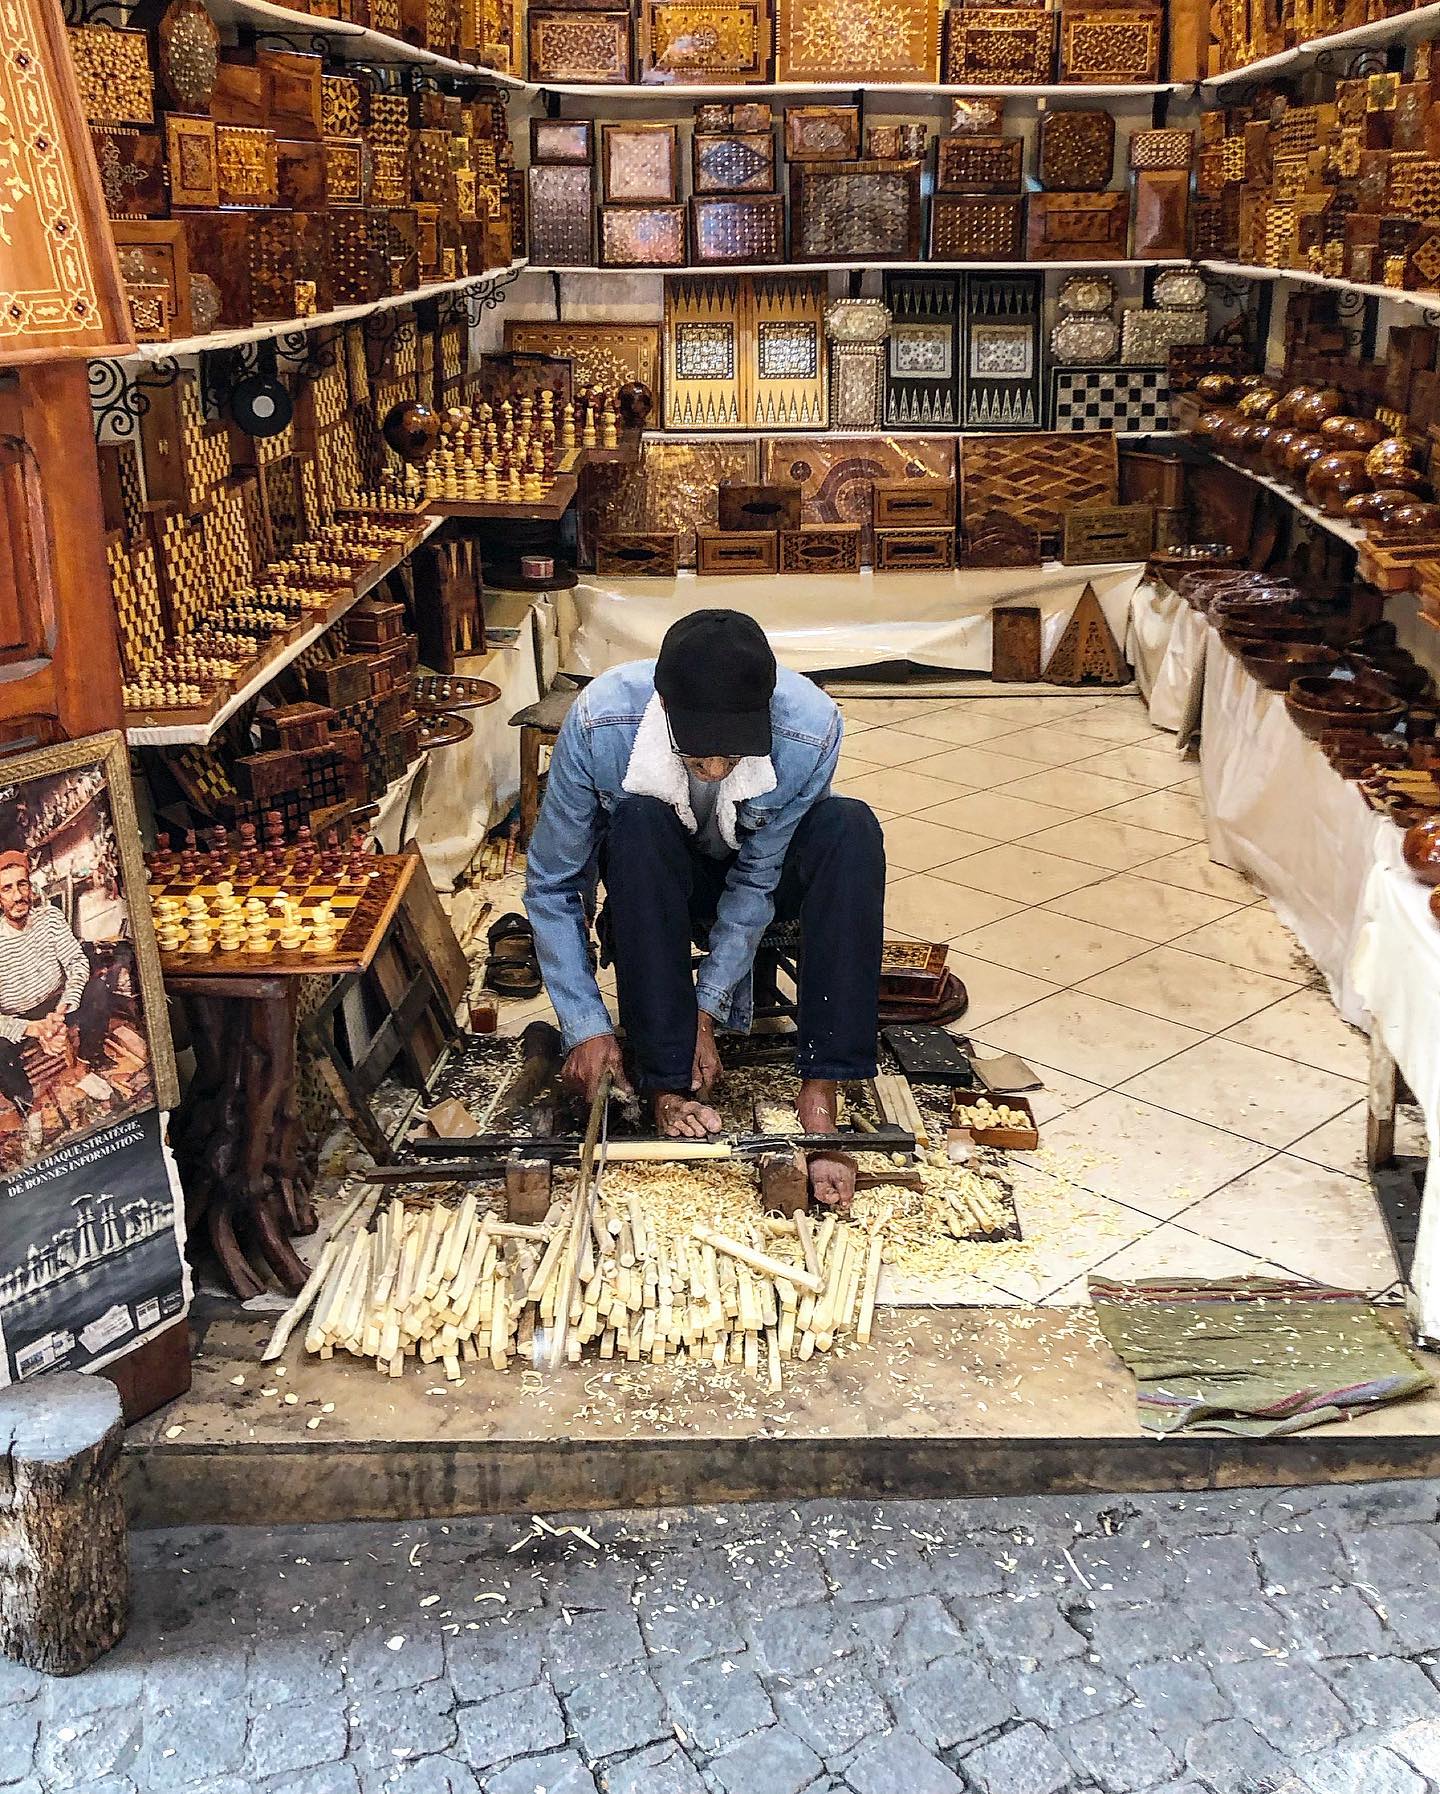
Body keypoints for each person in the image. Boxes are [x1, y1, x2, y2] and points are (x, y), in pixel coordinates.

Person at [524, 610, 884, 1208]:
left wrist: (707, 1009)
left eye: (732, 754)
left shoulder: (811, 727)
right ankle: (666, 1085)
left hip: (752, 872)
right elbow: (554, 883)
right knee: (637, 822)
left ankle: (824, 1088)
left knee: (851, 829)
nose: (716, 770)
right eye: (700, 753)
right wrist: (584, 1024)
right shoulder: (600, 722)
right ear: (665, 705)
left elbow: (757, 880)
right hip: (656, 876)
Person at [0, 851, 111, 1143]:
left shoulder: (49, 917)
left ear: (30, 887)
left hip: (57, 1002)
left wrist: (63, 1009)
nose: (17, 895)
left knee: (98, 990)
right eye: (7, 889)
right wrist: (31, 1028)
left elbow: (77, 962)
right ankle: (27, 1105)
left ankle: (85, 1065)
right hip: (17, 1016)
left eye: (21, 885)